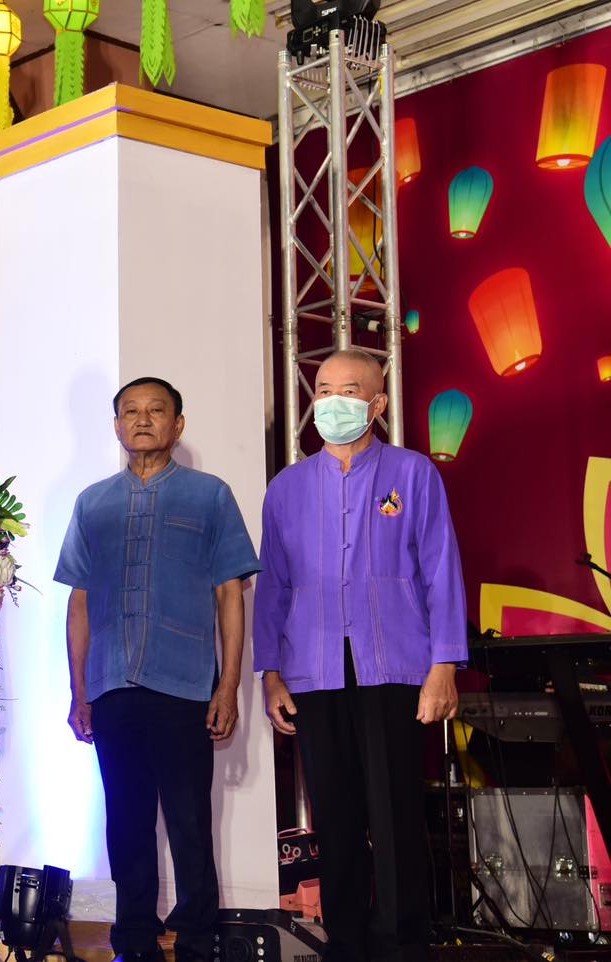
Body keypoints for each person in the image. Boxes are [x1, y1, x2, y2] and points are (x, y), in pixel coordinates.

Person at [255, 349, 466, 962]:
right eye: (323, 390)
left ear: (377, 403)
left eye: (348, 390)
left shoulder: (413, 474)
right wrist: (270, 673)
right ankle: (344, 942)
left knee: (395, 812)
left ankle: (402, 943)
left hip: (394, 667)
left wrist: (444, 665)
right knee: (335, 816)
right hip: (313, 672)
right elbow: (273, 587)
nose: (332, 401)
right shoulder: (287, 488)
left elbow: (441, 571)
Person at [55, 377, 260, 962]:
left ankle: (197, 942)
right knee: (126, 824)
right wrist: (79, 691)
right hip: (112, 688)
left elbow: (230, 594)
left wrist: (227, 685)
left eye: (156, 410)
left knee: (191, 824)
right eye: (131, 411)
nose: (142, 420)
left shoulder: (209, 496)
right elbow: (79, 602)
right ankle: (135, 942)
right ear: (117, 425)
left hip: (186, 687)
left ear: (178, 424)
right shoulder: (92, 502)